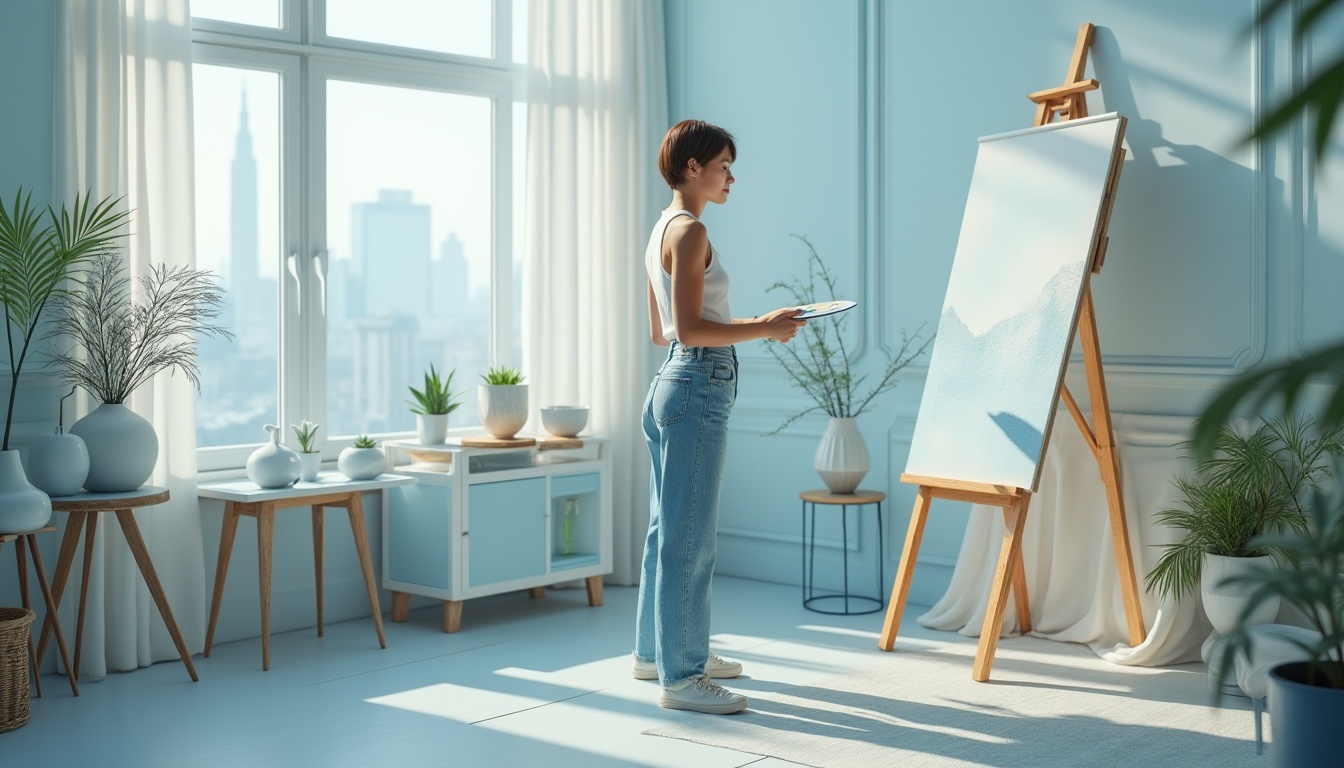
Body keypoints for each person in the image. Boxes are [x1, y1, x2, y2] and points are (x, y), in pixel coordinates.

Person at [632, 119, 807, 715]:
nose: (731, 176)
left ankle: (657, 653)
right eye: (724, 165)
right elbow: (687, 329)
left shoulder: (660, 228)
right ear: (691, 168)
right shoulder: (692, 231)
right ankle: (682, 678)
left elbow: (660, 333)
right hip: (698, 384)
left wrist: (737, 330)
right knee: (691, 539)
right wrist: (768, 325)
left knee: (667, 532)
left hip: (671, 384)